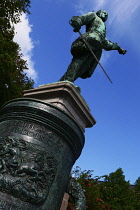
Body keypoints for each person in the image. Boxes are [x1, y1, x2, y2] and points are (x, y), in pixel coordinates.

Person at [59, 10, 127, 83]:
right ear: (99, 12)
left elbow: (106, 43)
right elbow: (83, 18)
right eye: (104, 12)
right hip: (89, 39)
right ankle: (67, 80)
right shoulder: (94, 16)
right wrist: (77, 22)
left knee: (85, 67)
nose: (106, 14)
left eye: (106, 14)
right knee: (80, 59)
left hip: (97, 46)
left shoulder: (102, 32)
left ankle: (65, 81)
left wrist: (118, 48)